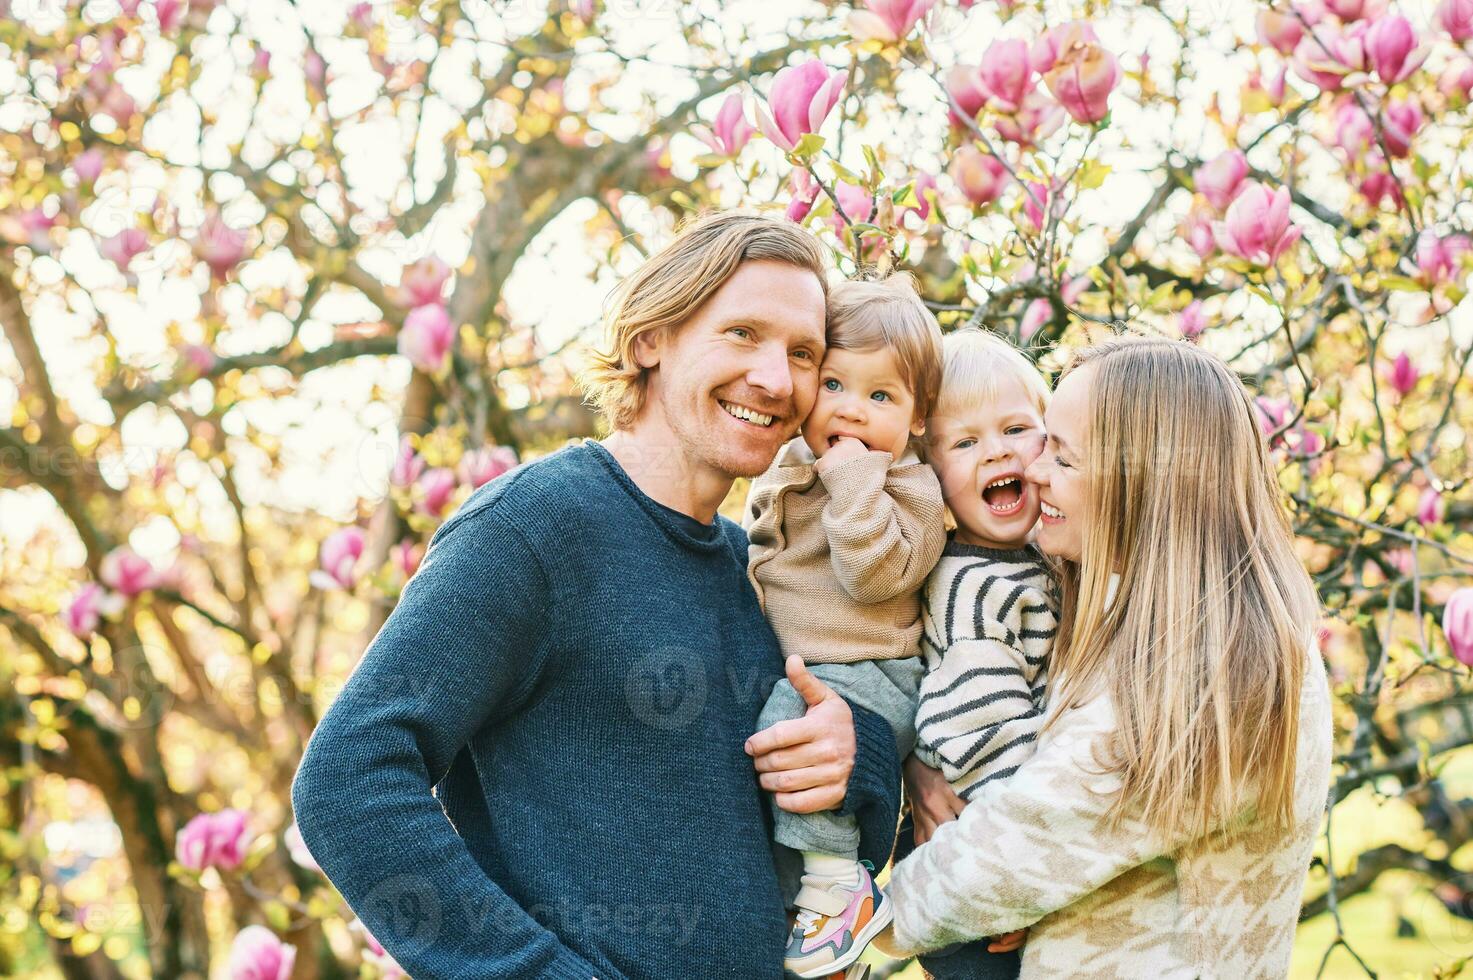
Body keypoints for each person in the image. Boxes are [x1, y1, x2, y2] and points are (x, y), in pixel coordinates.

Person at [289, 211, 904, 980]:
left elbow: (806, 815)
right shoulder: (532, 529)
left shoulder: (763, 569)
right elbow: (348, 777)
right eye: (742, 333)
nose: (776, 379)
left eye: (802, 353)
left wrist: (860, 758)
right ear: (651, 339)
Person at [882, 336, 1334, 978]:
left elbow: (1015, 848)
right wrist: (927, 771)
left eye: (1060, 456)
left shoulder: (1216, 668)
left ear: (1144, 479)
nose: (1032, 471)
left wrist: (861, 909)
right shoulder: (1124, 616)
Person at [743, 273, 946, 978]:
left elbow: (872, 574)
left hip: (874, 676)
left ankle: (838, 890)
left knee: (788, 724)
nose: (852, 411)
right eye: (834, 385)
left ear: (918, 419)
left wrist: (854, 480)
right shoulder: (791, 465)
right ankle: (827, 918)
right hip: (818, 667)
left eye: (880, 396)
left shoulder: (908, 491)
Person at [896, 328, 1062, 980]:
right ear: (932, 478)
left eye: (1016, 428)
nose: (995, 451)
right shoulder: (973, 586)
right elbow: (979, 729)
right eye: (964, 442)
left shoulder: (1029, 561)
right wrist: (1015, 872)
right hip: (980, 860)